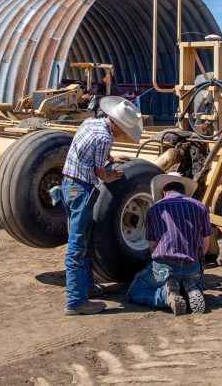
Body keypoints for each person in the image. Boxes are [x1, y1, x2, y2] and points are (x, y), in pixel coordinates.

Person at [60, 95, 144, 315]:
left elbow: (86, 151)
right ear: (116, 124)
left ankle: (86, 287)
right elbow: (99, 171)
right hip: (81, 190)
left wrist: (111, 158)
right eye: (124, 130)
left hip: (68, 187)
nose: (123, 134)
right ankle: (75, 301)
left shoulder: (91, 123)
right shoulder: (105, 138)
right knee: (77, 246)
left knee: (82, 238)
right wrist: (107, 177)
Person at [126, 173, 212, 315]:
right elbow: (205, 242)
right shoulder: (200, 207)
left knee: (134, 291)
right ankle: (191, 288)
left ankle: (165, 296)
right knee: (195, 279)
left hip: (165, 267)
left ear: (163, 192)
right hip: (192, 266)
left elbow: (152, 247)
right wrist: (197, 261)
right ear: (184, 191)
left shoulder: (154, 210)